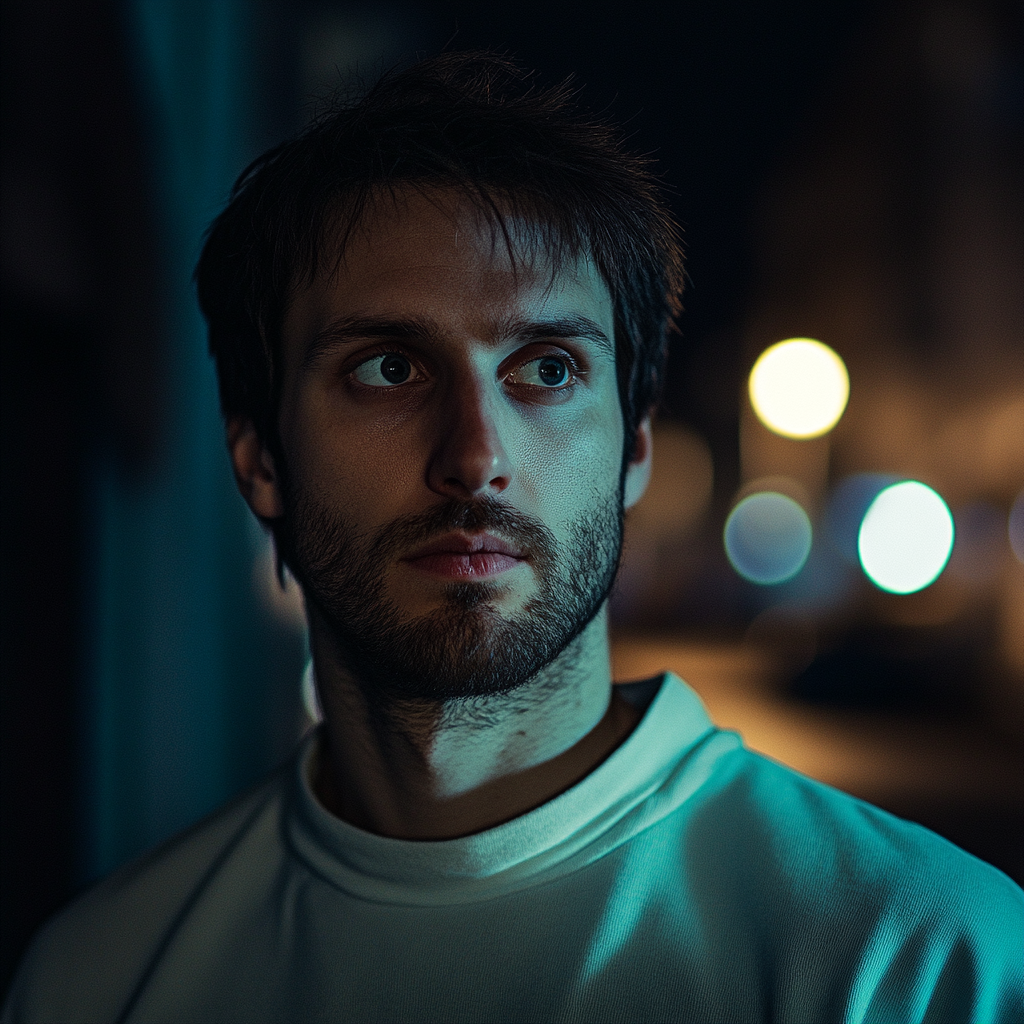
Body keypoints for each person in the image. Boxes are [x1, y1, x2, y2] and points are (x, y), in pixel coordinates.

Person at [3, 51, 1022, 1024]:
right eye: (388, 369)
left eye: (545, 369)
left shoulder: (921, 959)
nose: (475, 454)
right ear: (261, 456)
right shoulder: (98, 980)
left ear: (633, 448)